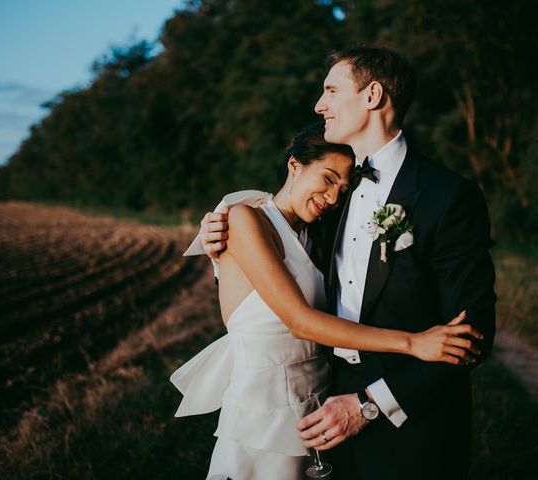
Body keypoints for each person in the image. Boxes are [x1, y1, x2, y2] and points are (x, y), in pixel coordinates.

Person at [200, 47, 497, 479]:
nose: (320, 105)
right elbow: (281, 267)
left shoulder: (447, 197)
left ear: (373, 95)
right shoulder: (331, 201)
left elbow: (472, 335)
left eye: (331, 90)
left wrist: (369, 404)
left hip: (411, 429)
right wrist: (222, 248)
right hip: (320, 411)